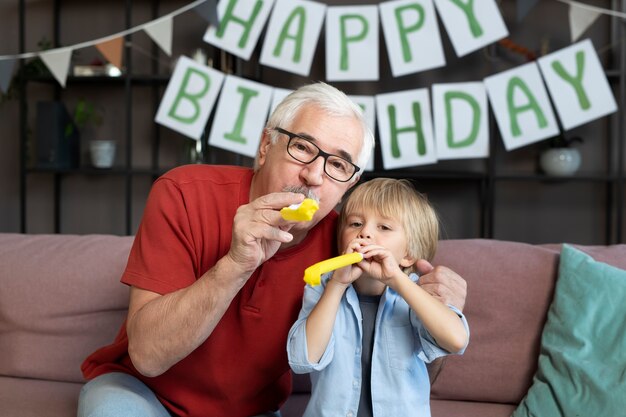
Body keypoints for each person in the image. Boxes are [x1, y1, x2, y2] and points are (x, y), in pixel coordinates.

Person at [78, 82, 467, 417]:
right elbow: (147, 356)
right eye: (302, 148)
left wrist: (439, 300)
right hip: (144, 393)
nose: (314, 176)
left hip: (254, 410)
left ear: (349, 184)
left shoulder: (345, 241)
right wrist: (235, 264)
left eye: (338, 165)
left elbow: (398, 356)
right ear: (266, 146)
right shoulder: (182, 193)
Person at [287, 178, 470, 417]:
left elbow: (456, 340)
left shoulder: (415, 295)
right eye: (355, 223)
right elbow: (303, 359)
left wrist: (396, 279)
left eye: (384, 227)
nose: (364, 233)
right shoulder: (323, 288)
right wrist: (337, 284)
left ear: (408, 255)